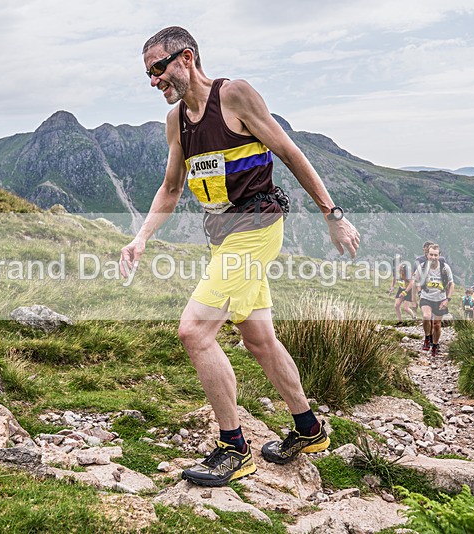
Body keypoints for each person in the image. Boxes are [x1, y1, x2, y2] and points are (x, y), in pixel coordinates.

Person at [120, 27, 360, 487]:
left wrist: (333, 214)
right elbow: (171, 188)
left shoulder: (234, 96)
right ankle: (309, 430)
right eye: (147, 74)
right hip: (223, 237)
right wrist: (142, 237)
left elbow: (289, 152)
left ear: (185, 57)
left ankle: (234, 449)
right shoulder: (177, 122)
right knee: (258, 338)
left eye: (158, 68)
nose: (153, 81)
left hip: (256, 228)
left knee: (194, 332)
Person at [406, 244, 453, 357]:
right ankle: (427, 337)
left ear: (439, 255)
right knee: (426, 316)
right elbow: (415, 281)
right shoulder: (422, 267)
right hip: (426, 297)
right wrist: (416, 296)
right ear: (427, 255)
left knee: (437, 324)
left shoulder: (445, 268)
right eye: (431, 254)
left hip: (440, 299)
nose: (433, 257)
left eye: (435, 255)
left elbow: (451, 284)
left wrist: (447, 299)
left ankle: (435, 345)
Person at [388, 255, 416, 324]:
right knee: (396, 305)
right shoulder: (394, 269)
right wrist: (392, 288)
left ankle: (414, 317)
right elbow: (394, 279)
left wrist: (405, 292)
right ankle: (400, 321)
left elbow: (411, 282)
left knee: (405, 308)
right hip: (401, 288)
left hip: (408, 289)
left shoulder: (406, 269)